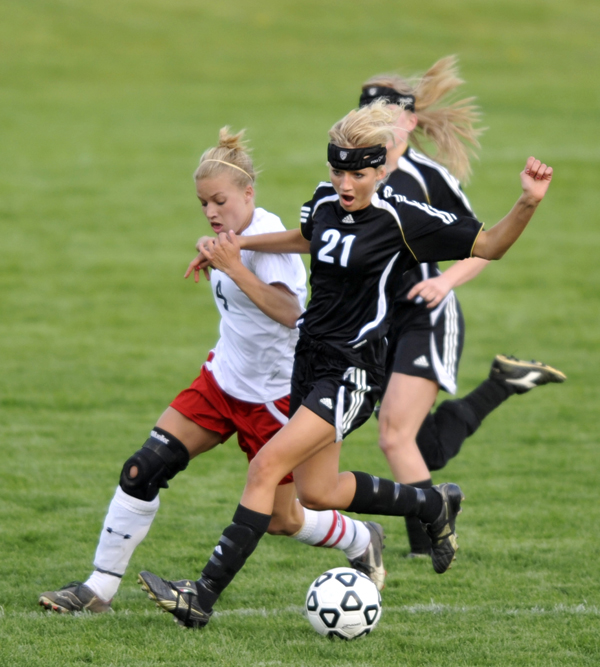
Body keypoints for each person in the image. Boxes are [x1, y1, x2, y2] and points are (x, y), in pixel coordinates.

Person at [137, 100, 554, 629]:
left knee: (267, 466)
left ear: (381, 169)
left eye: (358, 173)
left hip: (353, 370)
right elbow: (310, 239)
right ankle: (432, 505)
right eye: (338, 170)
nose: (346, 183)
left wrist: (528, 201)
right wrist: (236, 244)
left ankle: (201, 596)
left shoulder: (403, 219)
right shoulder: (323, 201)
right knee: (317, 492)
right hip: (309, 362)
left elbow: (490, 244)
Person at [38, 128, 387, 615]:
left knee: (283, 520)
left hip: (276, 397)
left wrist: (233, 264)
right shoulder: (232, 239)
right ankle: (99, 588)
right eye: (203, 203)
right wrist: (219, 253)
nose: (210, 211)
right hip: (221, 382)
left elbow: (291, 312)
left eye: (219, 200)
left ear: (249, 194)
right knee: (143, 469)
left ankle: (360, 535)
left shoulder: (271, 239)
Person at [358, 56, 566, 557]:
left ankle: (425, 547)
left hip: (428, 315)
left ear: (408, 120)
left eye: (387, 116)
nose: (377, 126)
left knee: (393, 437)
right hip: (381, 321)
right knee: (419, 446)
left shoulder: (426, 177)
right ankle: (501, 384)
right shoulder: (358, 174)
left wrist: (445, 280)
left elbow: (485, 242)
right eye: (368, 115)